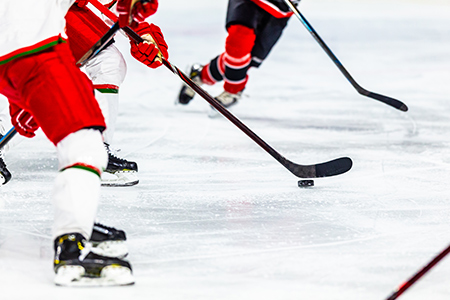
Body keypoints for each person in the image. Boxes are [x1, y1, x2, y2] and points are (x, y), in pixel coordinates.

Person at [0, 0, 164, 286]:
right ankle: (71, 244)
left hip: (33, 43)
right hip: (36, 48)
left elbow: (124, 15)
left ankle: (75, 230)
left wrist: (146, 34)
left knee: (105, 69)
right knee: (84, 143)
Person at [0, 0, 168, 187]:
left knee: (109, 63)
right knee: (21, 89)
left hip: (74, 28)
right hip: (28, 25)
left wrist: (144, 36)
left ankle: (96, 151)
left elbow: (125, 10)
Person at [177, 0, 300, 113]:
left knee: (251, 57)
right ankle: (233, 90)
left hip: (280, 8)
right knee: (239, 40)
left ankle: (202, 74)